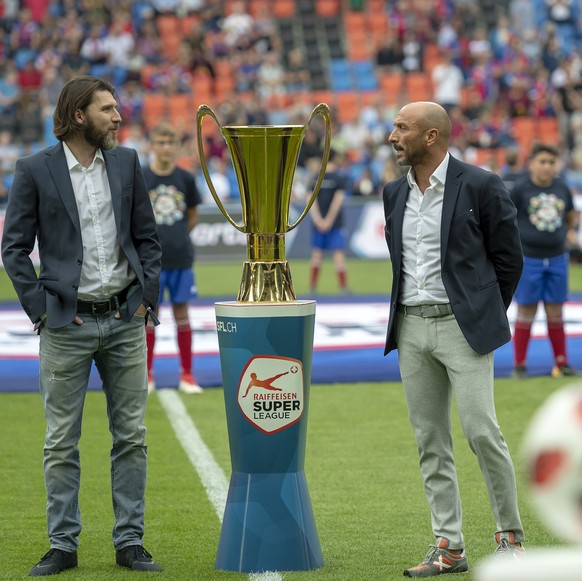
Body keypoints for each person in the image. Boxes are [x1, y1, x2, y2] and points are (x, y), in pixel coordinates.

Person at [0, 76, 163, 576]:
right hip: (65, 325)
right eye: (108, 109)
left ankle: (129, 542)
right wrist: (42, 311)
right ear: (78, 115)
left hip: (123, 321)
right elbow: (13, 248)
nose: (118, 117)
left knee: (131, 436)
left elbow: (148, 240)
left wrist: (142, 301)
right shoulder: (33, 170)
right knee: (60, 443)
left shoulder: (127, 162)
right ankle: (63, 545)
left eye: (116, 109)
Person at [383, 101, 525, 577]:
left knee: (482, 433)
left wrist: (480, 311)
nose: (392, 136)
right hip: (411, 326)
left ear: (431, 137)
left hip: (462, 328)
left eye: (402, 128)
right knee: (430, 440)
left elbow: (509, 260)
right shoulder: (391, 192)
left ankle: (510, 539)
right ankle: (449, 546)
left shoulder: (481, 185)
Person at [509, 143, 579, 379]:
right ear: (531, 164)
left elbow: (570, 216)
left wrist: (563, 235)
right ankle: (519, 365)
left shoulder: (562, 187)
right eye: (542, 162)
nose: (547, 166)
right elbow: (507, 219)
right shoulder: (520, 189)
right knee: (526, 310)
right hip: (529, 258)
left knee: (556, 311)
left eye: (551, 162)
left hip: (558, 257)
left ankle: (562, 363)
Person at [143, 122, 203, 395]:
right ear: (152, 146)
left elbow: (192, 216)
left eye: (171, 142)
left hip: (180, 258)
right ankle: (146, 376)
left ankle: (187, 374)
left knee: (182, 315)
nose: (166, 147)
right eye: (161, 142)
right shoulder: (142, 177)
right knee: (147, 317)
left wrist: (176, 237)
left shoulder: (186, 178)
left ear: (177, 146)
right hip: (150, 261)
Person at [308, 149, 349, 295]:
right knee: (338, 256)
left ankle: (312, 288)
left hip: (318, 224)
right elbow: (337, 201)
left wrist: (318, 220)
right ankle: (343, 288)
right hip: (334, 223)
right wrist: (329, 220)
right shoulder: (339, 178)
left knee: (317, 256)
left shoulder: (315, 178)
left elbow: (310, 201)